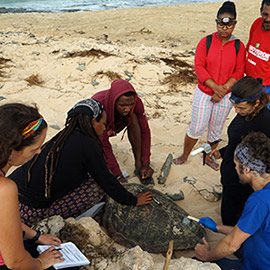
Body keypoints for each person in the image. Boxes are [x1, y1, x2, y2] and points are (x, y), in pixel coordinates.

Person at [9, 99, 152, 227]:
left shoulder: (64, 135)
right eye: (102, 123)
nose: (104, 128)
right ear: (93, 122)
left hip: (10, 193)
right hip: (29, 211)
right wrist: (133, 200)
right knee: (97, 187)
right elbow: (107, 182)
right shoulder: (87, 145)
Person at [173, 1, 245, 169]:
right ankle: (185, 155)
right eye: (221, 23)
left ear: (234, 24)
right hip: (205, 92)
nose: (224, 28)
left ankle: (209, 156)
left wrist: (222, 90)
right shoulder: (205, 42)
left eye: (229, 24)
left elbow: (239, 72)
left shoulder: (238, 46)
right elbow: (199, 67)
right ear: (217, 22)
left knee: (216, 128)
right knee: (197, 127)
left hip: (226, 95)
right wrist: (215, 88)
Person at [0, 103, 64, 270]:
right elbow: (15, 262)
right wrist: (41, 263)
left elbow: (5, 220)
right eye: (34, 148)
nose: (38, 152)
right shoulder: (4, 188)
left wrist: (36, 236)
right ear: (12, 150)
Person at [195, 131, 270, 270]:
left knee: (199, 261)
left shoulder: (260, 200)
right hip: (258, 249)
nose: (234, 168)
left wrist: (207, 256)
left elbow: (231, 245)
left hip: (258, 265)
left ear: (247, 169)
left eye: (236, 164)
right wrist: (217, 228)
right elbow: (249, 230)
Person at [208, 76, 270, 226]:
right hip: (231, 173)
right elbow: (238, 142)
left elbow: (264, 154)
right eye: (234, 106)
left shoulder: (264, 123)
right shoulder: (247, 112)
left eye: (241, 108)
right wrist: (221, 153)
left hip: (242, 182)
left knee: (235, 220)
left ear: (256, 102)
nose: (236, 110)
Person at [91, 79, 154, 185]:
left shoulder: (136, 102)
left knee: (134, 117)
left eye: (130, 105)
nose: (127, 109)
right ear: (114, 101)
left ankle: (139, 166)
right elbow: (104, 144)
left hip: (117, 122)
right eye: (122, 105)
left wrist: (146, 162)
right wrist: (117, 174)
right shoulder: (99, 104)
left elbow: (145, 131)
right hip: (95, 130)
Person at [245, 0, 270, 109]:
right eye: (265, 14)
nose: (268, 19)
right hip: (249, 82)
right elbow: (249, 48)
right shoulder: (256, 23)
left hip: (265, 87)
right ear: (260, 12)